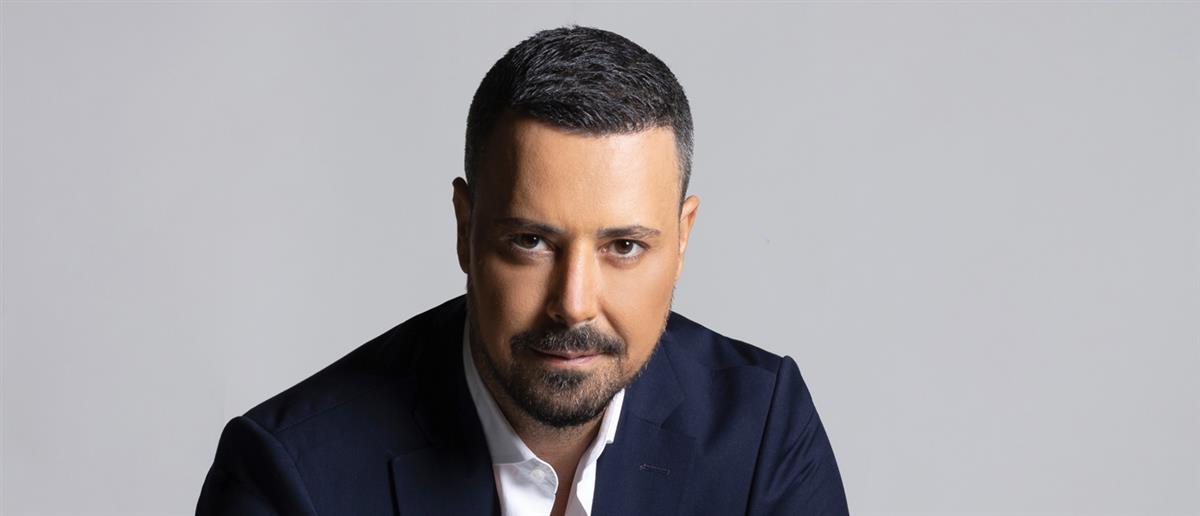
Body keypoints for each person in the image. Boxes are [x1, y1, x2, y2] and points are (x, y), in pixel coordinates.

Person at [197, 25, 849, 516]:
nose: (573, 303)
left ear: (682, 239)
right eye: (532, 241)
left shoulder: (762, 430)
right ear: (465, 229)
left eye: (624, 246)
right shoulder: (289, 477)